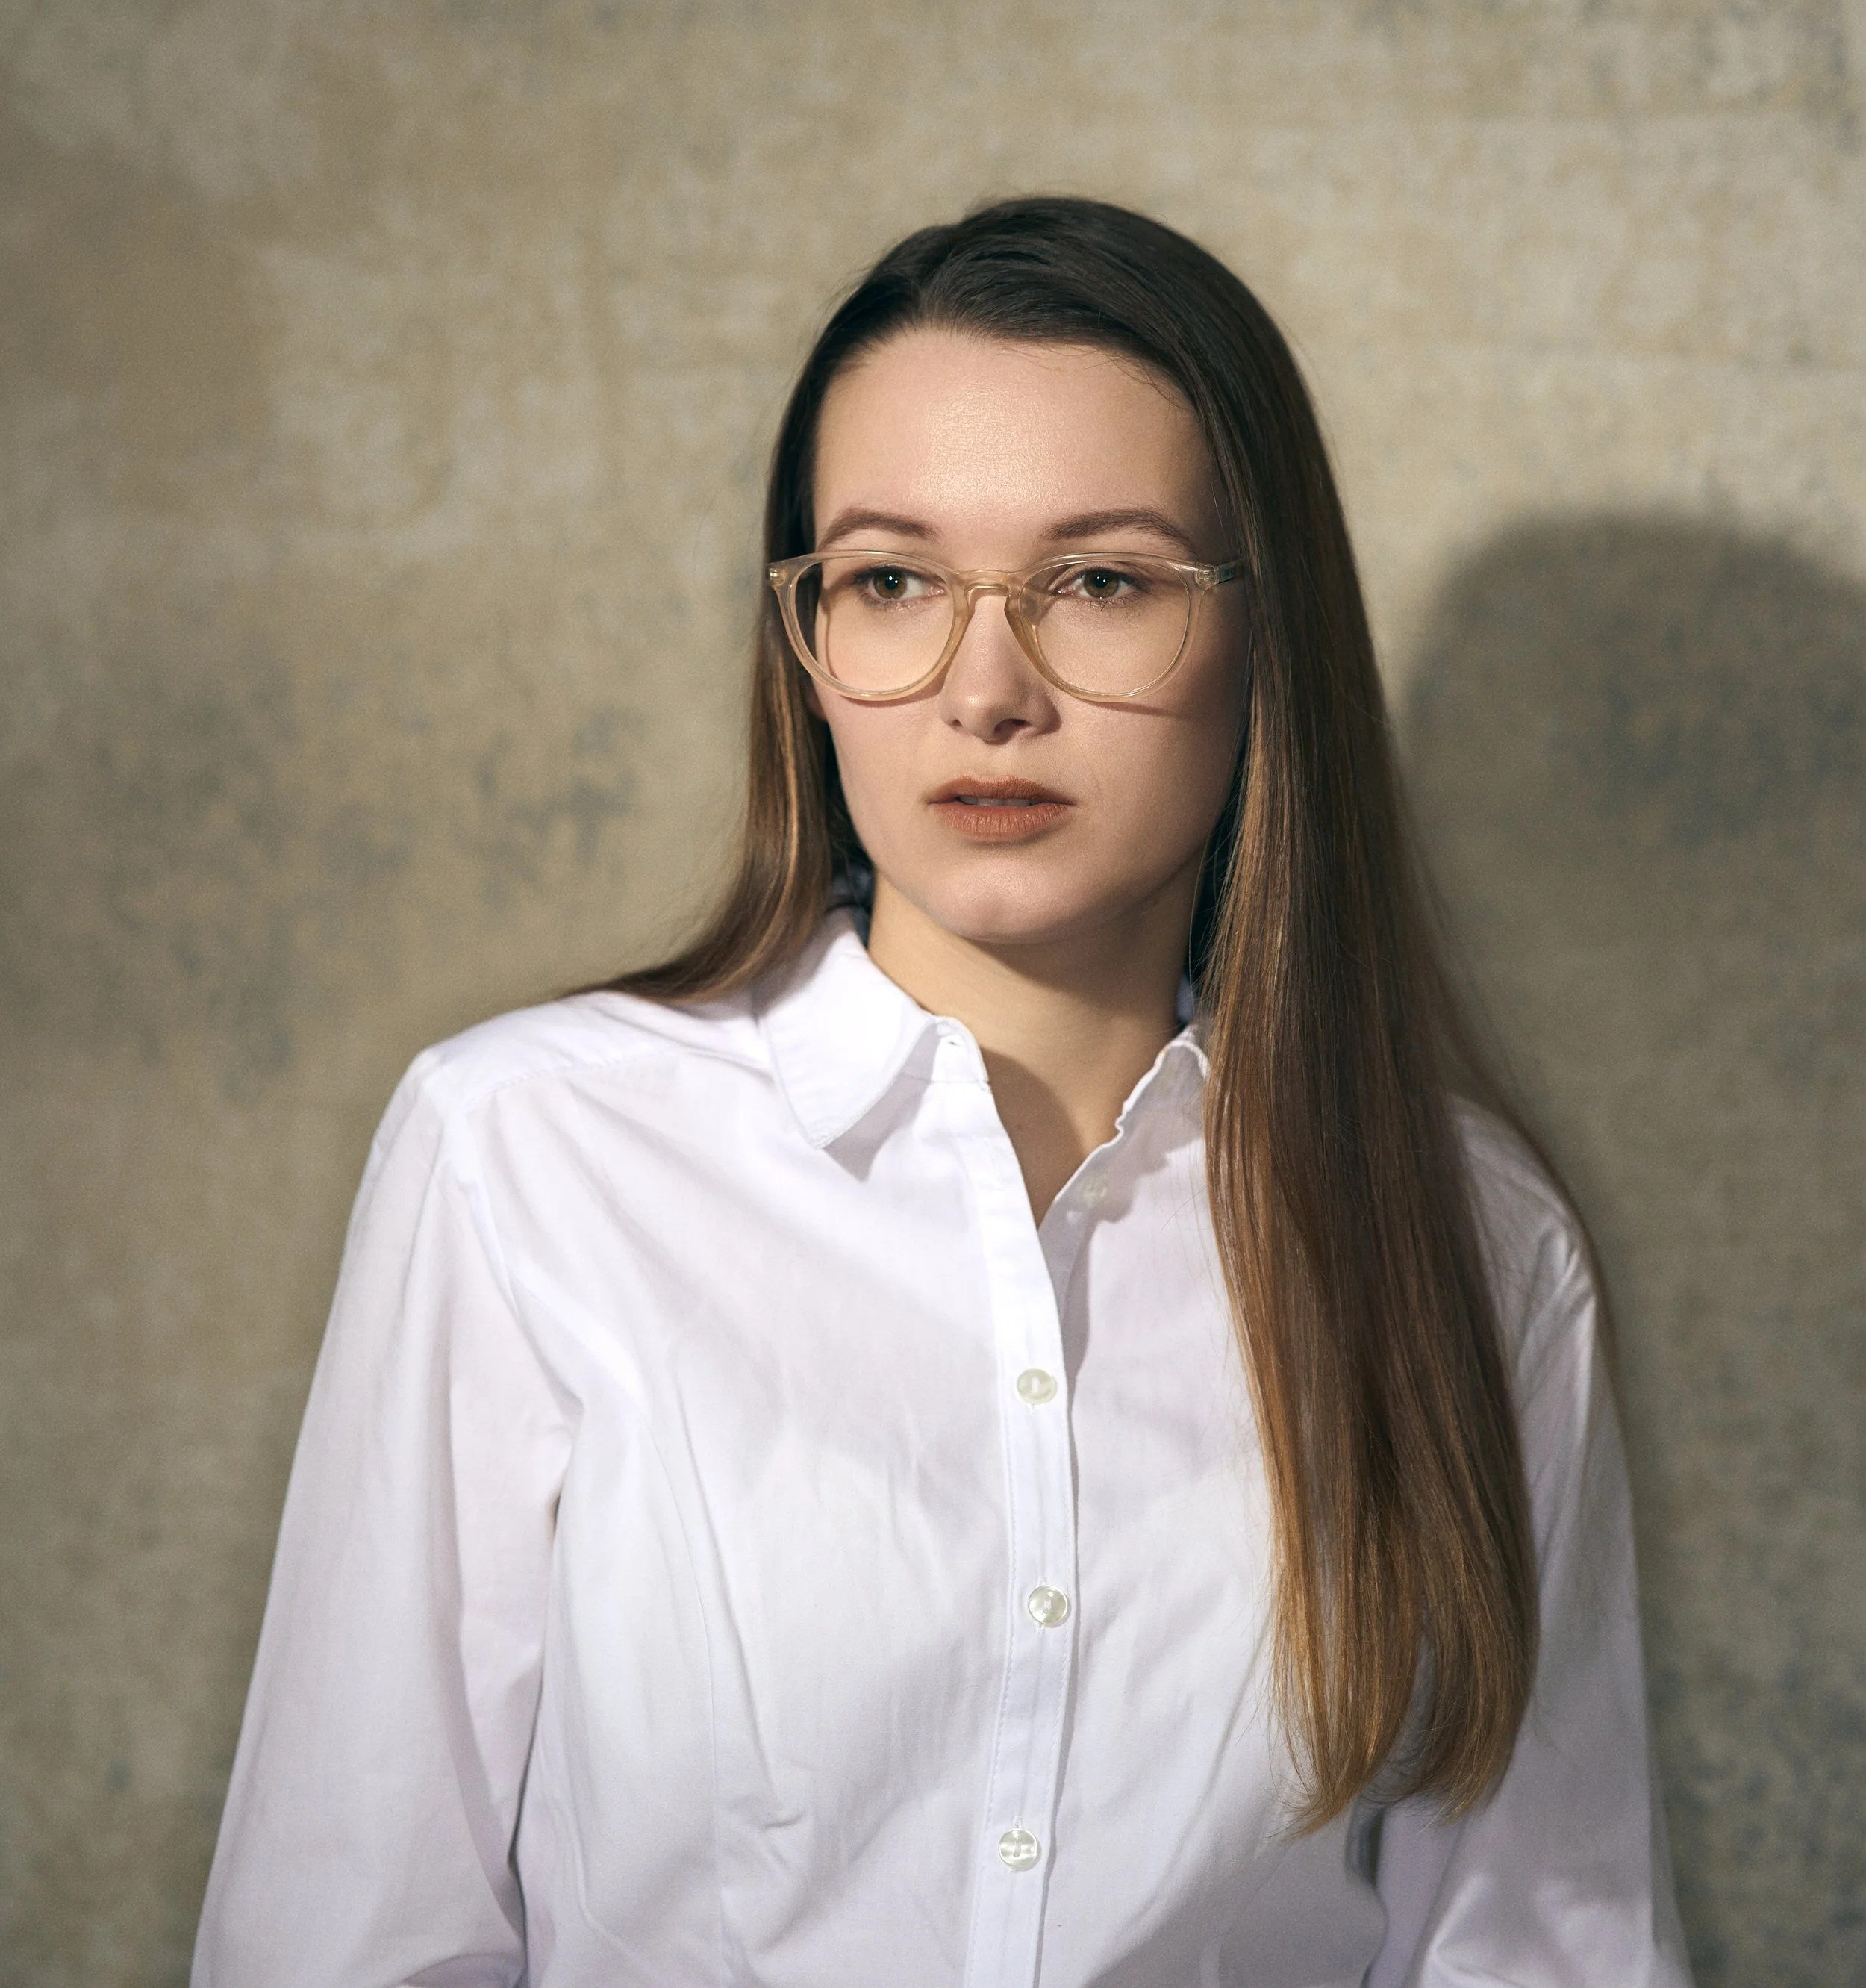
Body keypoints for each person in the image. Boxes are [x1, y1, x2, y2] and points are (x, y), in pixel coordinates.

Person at [193, 198, 1691, 1987]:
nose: (984, 690)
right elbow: (345, 1934)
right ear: (807, 641)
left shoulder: (1472, 1245)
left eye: (1102, 583)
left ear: (1257, 635)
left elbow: (1538, 1946)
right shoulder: (526, 1155)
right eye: (890, 579)